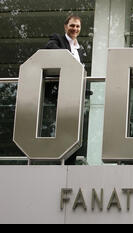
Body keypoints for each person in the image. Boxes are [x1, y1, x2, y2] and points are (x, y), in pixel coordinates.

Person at [43, 15, 89, 165]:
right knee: (62, 128)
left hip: (76, 94)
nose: (74, 29)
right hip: (61, 92)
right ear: (65, 26)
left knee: (74, 130)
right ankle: (59, 162)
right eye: (72, 25)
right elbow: (50, 48)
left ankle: (70, 162)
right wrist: (70, 59)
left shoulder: (80, 50)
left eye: (77, 26)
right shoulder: (58, 39)